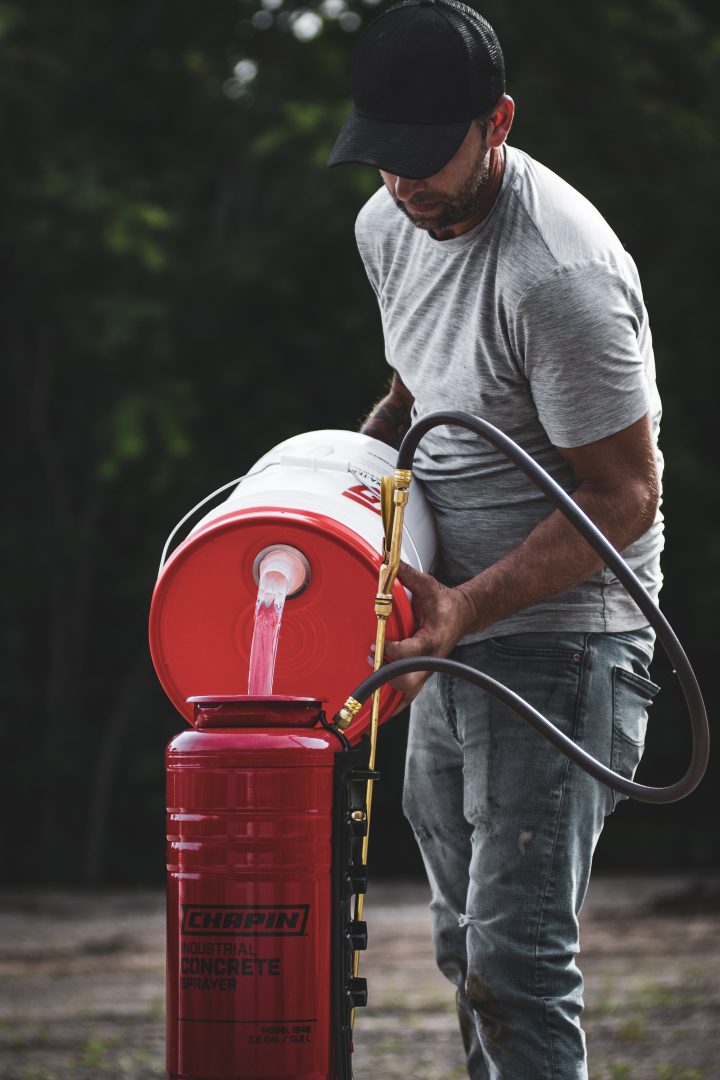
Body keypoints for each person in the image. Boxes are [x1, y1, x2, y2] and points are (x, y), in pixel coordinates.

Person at [328, 2, 663, 1078]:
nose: (404, 185)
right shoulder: (389, 226)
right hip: (440, 628)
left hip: (564, 642)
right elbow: (415, 386)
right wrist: (325, 480)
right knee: (459, 947)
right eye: (384, 159)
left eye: (427, 158)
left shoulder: (558, 277)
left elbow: (625, 498)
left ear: (499, 123)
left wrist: (466, 607)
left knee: (516, 963)